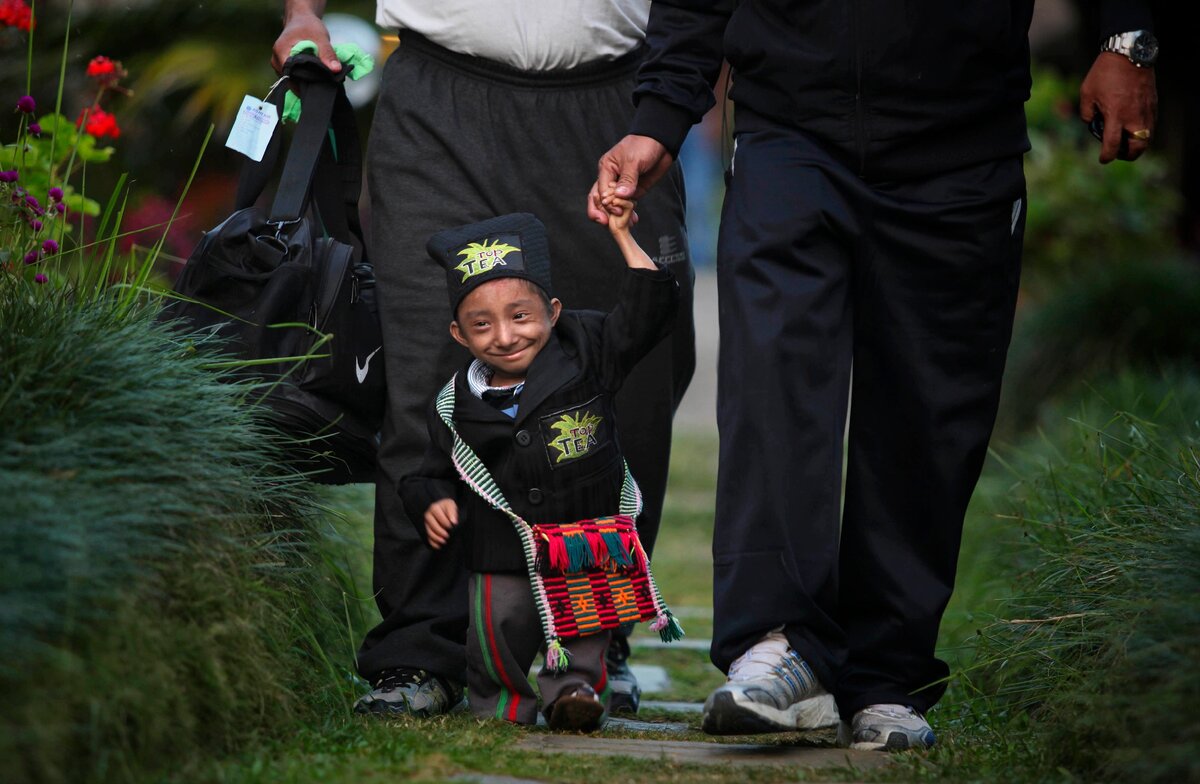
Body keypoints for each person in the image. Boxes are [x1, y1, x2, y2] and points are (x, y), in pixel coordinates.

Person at [588, 0, 1158, 751]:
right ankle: (778, 646)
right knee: (773, 381)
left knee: (929, 408)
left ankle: (887, 674)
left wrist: (1128, 40)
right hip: (789, 123)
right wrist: (662, 112)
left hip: (962, 133)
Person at [273, 0, 695, 718]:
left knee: (618, 385)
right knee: (428, 372)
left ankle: (593, 637)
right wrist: (302, 13)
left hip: (618, 102)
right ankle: (420, 648)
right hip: (441, 96)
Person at [400, 208, 679, 731]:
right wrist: (430, 500)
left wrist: (622, 235)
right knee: (496, 627)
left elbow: (647, 310)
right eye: (481, 325)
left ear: (552, 311)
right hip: (500, 544)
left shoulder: (588, 350)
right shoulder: (454, 401)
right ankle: (500, 703)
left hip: (584, 539)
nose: (505, 336)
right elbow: (428, 470)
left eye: (521, 316)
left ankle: (573, 693)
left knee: (584, 626)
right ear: (459, 335)